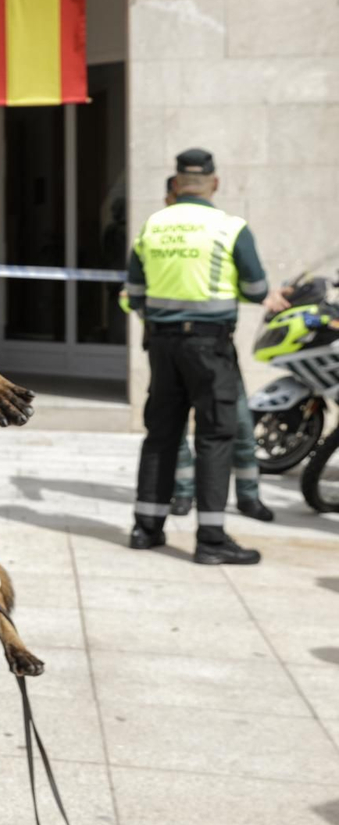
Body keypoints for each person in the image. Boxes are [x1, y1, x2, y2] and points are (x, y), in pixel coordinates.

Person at [126, 148, 266, 564]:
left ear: (175, 184)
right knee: (216, 436)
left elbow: (134, 295)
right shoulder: (229, 227)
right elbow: (257, 290)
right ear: (215, 182)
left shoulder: (153, 225)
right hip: (210, 347)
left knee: (161, 434)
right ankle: (210, 540)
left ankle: (146, 528)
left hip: (163, 346)